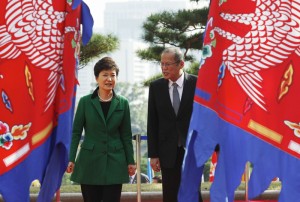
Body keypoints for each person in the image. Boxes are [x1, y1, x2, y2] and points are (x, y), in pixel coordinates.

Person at [67, 57, 136, 202]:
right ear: (97, 78)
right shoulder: (85, 102)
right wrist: (71, 158)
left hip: (115, 162)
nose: (109, 79)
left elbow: (125, 135)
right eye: (105, 75)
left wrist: (131, 161)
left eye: (113, 75)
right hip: (89, 162)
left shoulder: (123, 103)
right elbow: (76, 132)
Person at [147, 47, 202, 202]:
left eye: (168, 64)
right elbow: (153, 122)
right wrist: (153, 154)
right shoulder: (156, 87)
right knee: (170, 193)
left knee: (193, 191)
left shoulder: (196, 84)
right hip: (167, 151)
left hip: (191, 149)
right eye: (162, 64)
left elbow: (204, 117)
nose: (164, 68)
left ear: (181, 64)